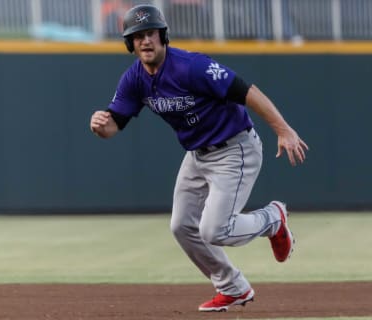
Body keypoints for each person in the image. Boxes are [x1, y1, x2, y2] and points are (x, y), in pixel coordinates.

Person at [89, 4, 308, 313]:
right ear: (130, 44)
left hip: (235, 148)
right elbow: (114, 124)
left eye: (150, 33)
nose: (145, 41)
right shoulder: (134, 78)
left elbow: (246, 90)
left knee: (214, 230)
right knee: (181, 226)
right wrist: (101, 126)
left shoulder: (191, 66)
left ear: (162, 35)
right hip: (197, 155)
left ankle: (273, 219)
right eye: (137, 36)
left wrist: (283, 129)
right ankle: (233, 288)